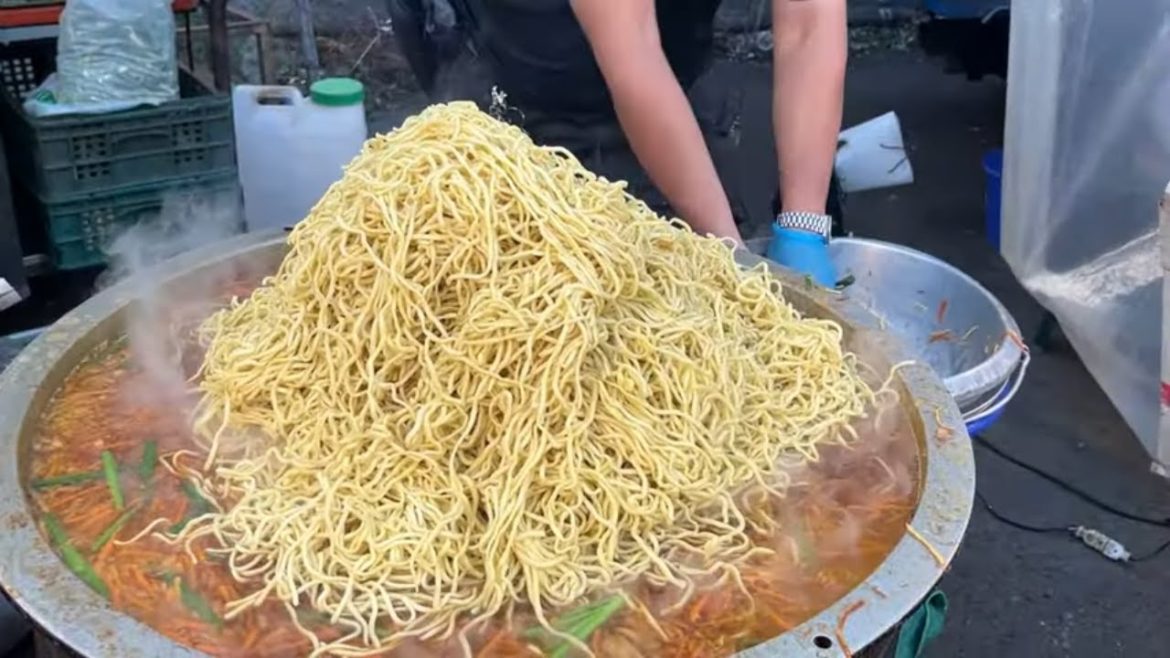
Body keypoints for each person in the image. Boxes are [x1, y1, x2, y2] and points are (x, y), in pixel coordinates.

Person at [387, 0, 845, 285]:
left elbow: (810, 22)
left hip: (667, 54)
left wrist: (803, 225)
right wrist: (730, 252)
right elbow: (632, 48)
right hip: (519, 61)